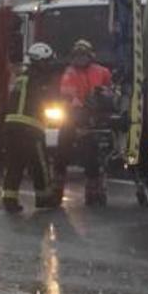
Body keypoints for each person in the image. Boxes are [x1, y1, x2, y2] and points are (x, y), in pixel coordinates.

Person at [0, 43, 59, 214]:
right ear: (40, 61)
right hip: (30, 128)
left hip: (11, 127)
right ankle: (44, 198)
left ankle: (9, 200)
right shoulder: (40, 79)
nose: (49, 65)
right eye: (47, 61)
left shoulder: (22, 78)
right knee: (40, 164)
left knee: (14, 165)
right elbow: (49, 100)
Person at [58, 39, 114, 205]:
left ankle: (94, 189)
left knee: (93, 155)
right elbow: (67, 94)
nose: (81, 58)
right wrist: (79, 108)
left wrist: (104, 99)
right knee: (62, 148)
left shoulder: (102, 72)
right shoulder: (70, 73)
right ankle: (56, 187)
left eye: (83, 55)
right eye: (78, 55)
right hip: (75, 117)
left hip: (97, 118)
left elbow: (111, 91)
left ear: (90, 56)